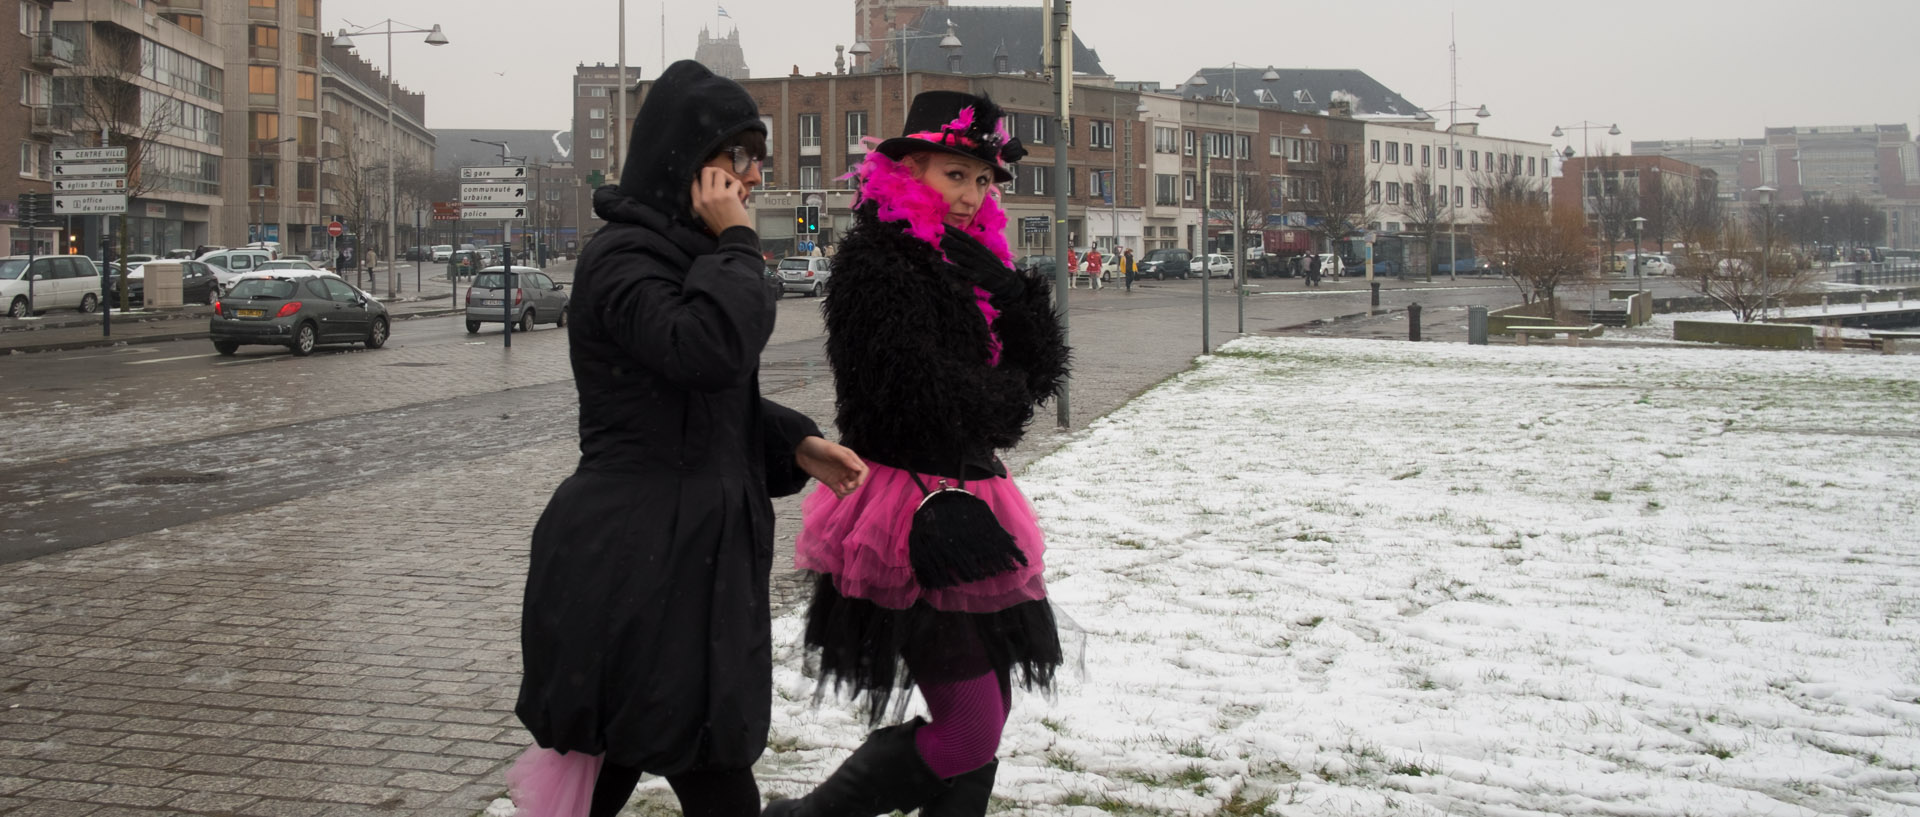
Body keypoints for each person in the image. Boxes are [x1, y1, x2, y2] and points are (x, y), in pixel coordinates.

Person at [508, 60, 868, 817]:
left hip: (681, 555)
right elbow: (705, 350)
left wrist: (796, 444)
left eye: (755, 156)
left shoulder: (688, 254)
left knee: (642, 745)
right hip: (635, 559)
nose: (752, 173)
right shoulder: (623, 260)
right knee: (692, 757)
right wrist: (739, 242)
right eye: (738, 156)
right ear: (686, 159)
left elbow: (701, 399)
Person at [772, 90, 1070, 817]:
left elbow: (1046, 369)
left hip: (973, 494)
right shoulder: (876, 263)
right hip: (908, 512)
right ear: (909, 170)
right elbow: (913, 394)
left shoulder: (972, 260)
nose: (971, 196)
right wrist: (1006, 396)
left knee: (986, 715)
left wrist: (1009, 290)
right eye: (953, 175)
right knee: (969, 724)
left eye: (982, 180)